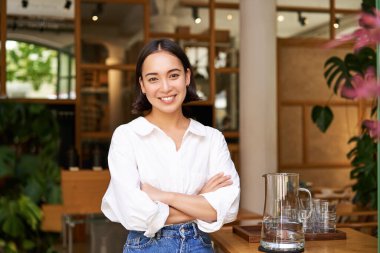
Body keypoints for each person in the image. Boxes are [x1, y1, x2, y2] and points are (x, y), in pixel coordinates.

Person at [101, 39, 240, 253]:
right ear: (142, 85)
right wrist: (199, 202)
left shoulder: (212, 138)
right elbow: (133, 212)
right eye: (153, 79)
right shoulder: (127, 137)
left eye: (173, 75)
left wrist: (164, 196)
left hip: (199, 246)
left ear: (187, 76)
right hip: (146, 247)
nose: (165, 87)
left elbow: (227, 208)